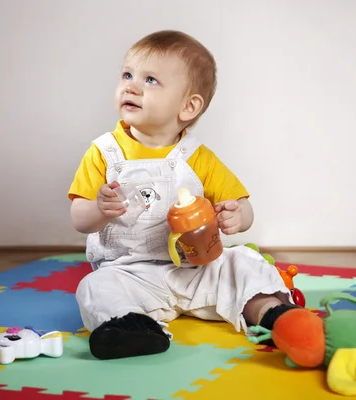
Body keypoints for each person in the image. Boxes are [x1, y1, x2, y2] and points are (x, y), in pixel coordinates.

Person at [68, 30, 309, 360]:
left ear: (188, 106)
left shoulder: (197, 157)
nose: (131, 85)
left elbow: (242, 205)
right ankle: (132, 328)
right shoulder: (104, 153)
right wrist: (99, 208)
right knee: (93, 288)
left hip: (196, 271)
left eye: (150, 79)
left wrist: (237, 214)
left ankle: (271, 313)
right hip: (130, 274)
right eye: (127, 74)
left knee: (244, 260)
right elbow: (80, 220)